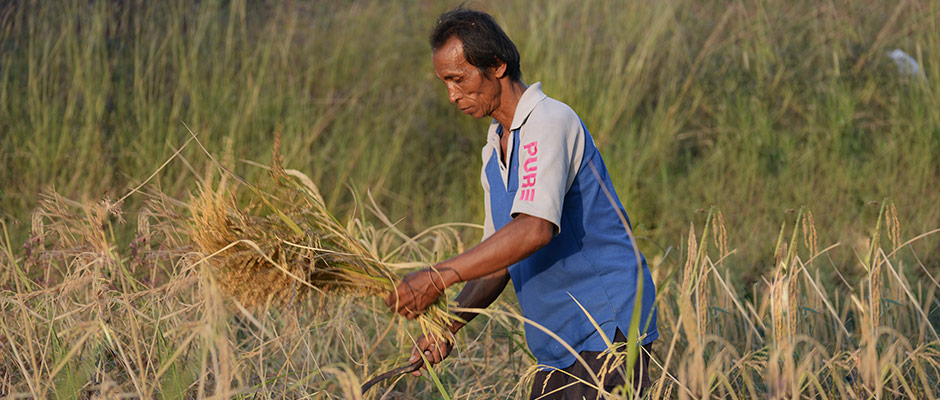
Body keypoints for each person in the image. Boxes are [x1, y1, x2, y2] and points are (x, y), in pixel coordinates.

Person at [385, 7, 658, 399]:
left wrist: (438, 275)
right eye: (444, 82)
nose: (451, 95)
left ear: (495, 65)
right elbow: (500, 260)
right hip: (557, 344)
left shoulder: (549, 121)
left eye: (458, 79)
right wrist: (448, 326)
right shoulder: (492, 151)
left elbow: (534, 230)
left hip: (606, 328)